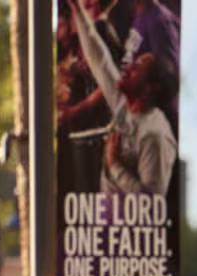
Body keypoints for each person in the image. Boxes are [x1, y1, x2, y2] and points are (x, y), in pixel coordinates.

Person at [67, 0, 176, 197]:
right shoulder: (124, 105)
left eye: (137, 68)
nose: (129, 66)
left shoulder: (155, 135)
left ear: (149, 88)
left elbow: (152, 205)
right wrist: (76, 9)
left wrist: (114, 166)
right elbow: (100, 59)